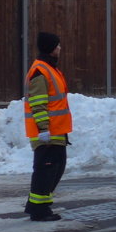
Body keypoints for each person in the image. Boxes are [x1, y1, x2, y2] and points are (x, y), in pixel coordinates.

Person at [22, 31, 72, 221]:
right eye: (57, 45)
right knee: (46, 170)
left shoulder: (49, 69)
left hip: (57, 131)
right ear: (51, 48)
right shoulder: (40, 71)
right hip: (46, 132)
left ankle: (39, 206)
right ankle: (39, 210)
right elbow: (38, 104)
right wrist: (43, 130)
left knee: (54, 169)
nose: (60, 48)